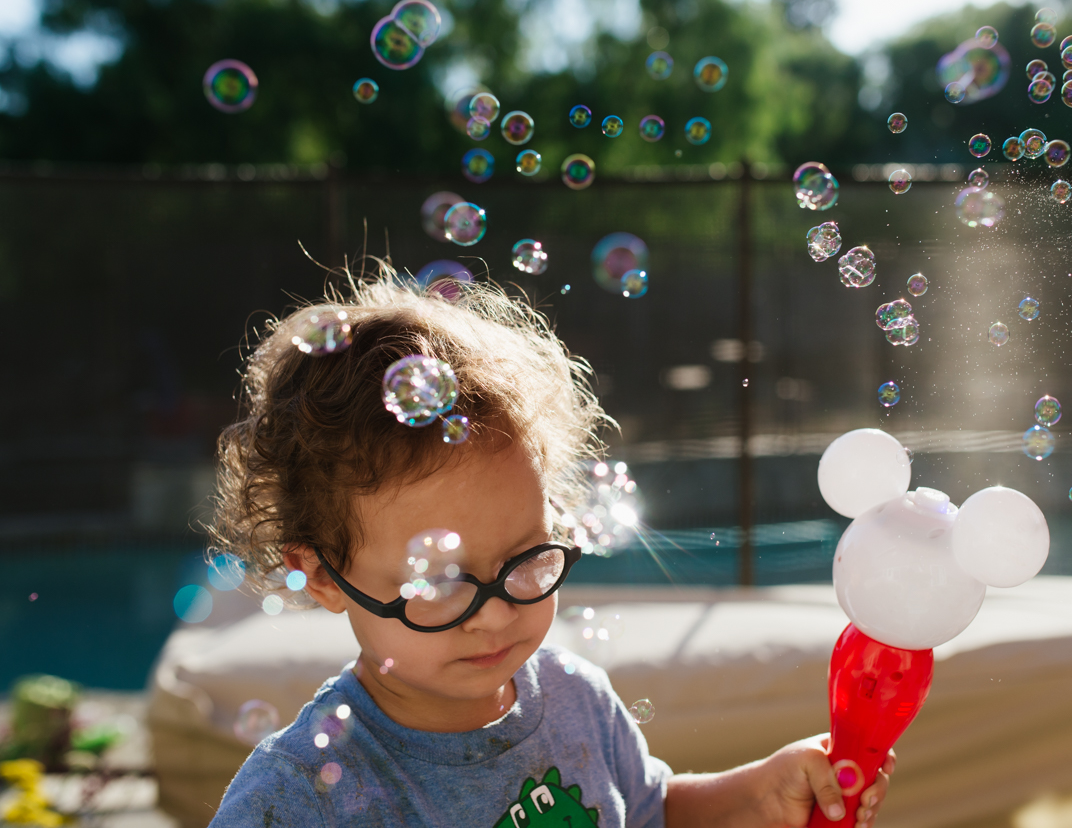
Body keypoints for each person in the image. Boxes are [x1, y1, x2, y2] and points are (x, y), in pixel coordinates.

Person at [207, 268, 894, 828]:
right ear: (321, 575)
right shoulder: (299, 798)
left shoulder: (576, 700)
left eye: (524, 559)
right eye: (442, 581)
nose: (497, 612)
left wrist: (755, 797)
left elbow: (648, 813)